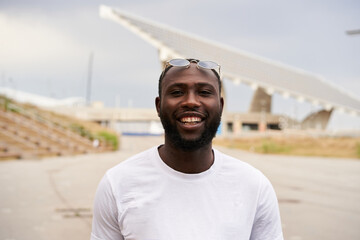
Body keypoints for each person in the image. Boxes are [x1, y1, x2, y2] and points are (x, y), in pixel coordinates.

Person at [91, 58, 283, 240]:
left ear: (221, 106)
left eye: (205, 92)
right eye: (176, 92)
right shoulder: (117, 184)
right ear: (158, 106)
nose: (191, 101)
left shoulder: (254, 186)